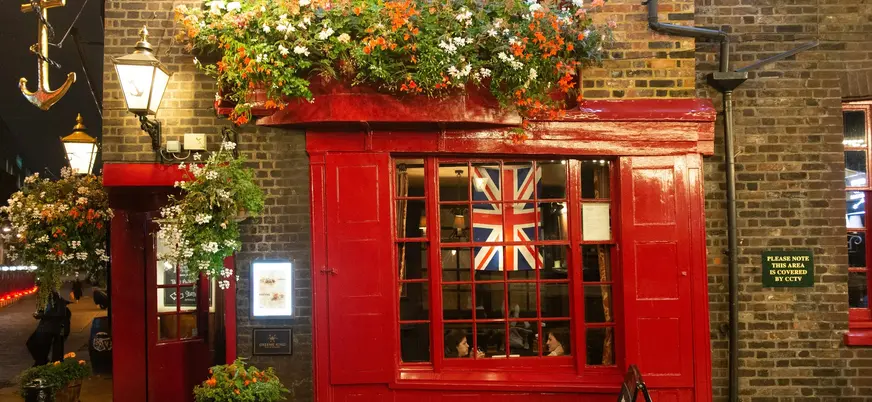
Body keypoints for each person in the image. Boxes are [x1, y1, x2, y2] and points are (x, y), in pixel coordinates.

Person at [26, 291, 72, 366]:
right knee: (32, 344)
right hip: (44, 330)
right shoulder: (53, 304)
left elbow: (54, 316)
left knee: (41, 349)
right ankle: (42, 362)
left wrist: (41, 315)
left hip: (48, 331)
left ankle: (42, 363)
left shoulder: (61, 308)